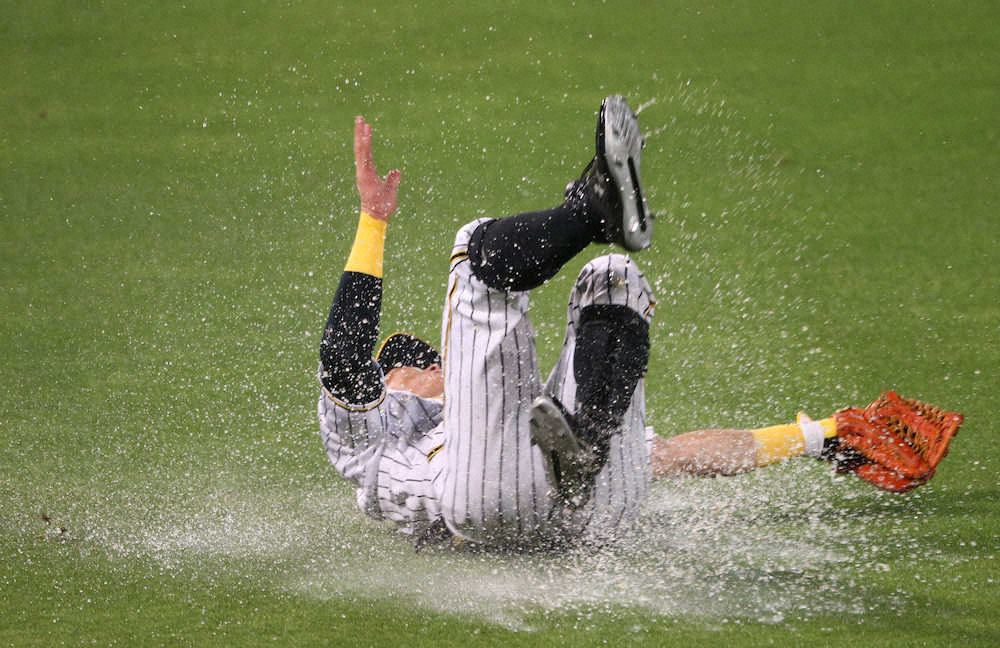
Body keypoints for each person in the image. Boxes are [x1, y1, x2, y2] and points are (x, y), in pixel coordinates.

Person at [315, 97, 935, 550]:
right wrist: (373, 222)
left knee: (615, 279)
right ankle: (590, 210)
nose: (432, 363)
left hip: (596, 506)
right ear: (388, 382)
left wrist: (824, 435)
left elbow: (675, 456)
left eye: (429, 356)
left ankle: (588, 440)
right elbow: (344, 356)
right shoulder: (378, 439)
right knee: (475, 254)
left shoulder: (534, 418)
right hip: (482, 504)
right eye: (410, 362)